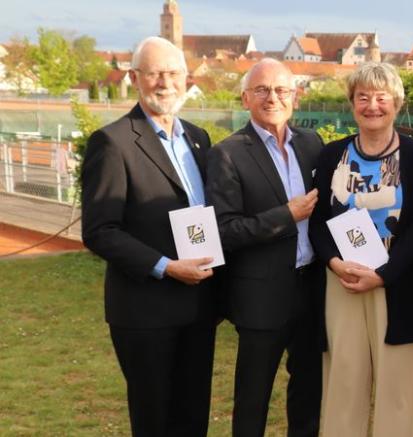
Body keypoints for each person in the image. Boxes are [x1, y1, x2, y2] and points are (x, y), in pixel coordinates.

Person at [81, 36, 216, 436]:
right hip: (145, 310)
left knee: (193, 415)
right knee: (155, 418)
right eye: (154, 73)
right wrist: (166, 266)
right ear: (135, 77)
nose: (164, 82)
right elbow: (100, 230)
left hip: (198, 305)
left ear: (186, 78)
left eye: (173, 73)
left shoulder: (198, 137)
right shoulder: (113, 142)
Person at [309, 62, 413, 436]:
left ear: (396, 103)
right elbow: (316, 222)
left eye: (381, 97)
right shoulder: (331, 155)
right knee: (343, 382)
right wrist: (334, 263)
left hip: (397, 285)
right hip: (343, 282)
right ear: (352, 103)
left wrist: (382, 276)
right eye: (363, 97)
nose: (372, 105)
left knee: (399, 389)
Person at [204, 58, 323, 437]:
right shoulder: (227, 153)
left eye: (281, 90)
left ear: (295, 98)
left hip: (312, 290)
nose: (273, 97)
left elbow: (355, 167)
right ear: (245, 99)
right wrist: (285, 215)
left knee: (308, 394)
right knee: (253, 399)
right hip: (260, 296)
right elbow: (223, 231)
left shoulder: (312, 143)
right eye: (262, 90)